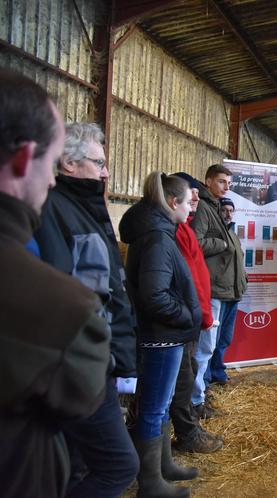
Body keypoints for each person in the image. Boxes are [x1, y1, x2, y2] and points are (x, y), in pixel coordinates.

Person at [0, 69, 110, 497]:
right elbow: (82, 390)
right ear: (26, 160)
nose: (50, 180)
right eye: (49, 165)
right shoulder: (61, 309)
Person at [33, 122, 139, 497]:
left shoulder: (84, 208)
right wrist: (103, 355)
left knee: (77, 464)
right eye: (99, 163)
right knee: (119, 465)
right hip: (83, 365)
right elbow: (70, 294)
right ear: (69, 164)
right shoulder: (53, 211)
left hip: (96, 360)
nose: (106, 171)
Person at [120, 172, 203, 498]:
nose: (191, 206)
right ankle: (151, 483)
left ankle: (163, 465)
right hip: (161, 336)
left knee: (162, 403)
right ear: (172, 202)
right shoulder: (157, 238)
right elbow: (154, 295)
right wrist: (186, 316)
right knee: (154, 407)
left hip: (165, 335)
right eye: (188, 200)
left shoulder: (159, 233)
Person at [168, 172, 223, 454]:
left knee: (186, 372)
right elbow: (185, 278)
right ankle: (187, 433)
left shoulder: (184, 227)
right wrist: (197, 313)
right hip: (181, 317)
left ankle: (188, 428)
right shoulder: (173, 232)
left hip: (191, 314)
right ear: (173, 198)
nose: (197, 197)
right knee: (182, 377)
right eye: (193, 192)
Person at [190, 164, 246, 418]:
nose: (227, 187)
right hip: (212, 288)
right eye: (222, 181)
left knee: (211, 346)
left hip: (223, 289)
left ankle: (200, 393)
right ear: (208, 181)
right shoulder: (203, 207)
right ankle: (195, 400)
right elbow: (197, 242)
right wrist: (222, 243)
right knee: (205, 347)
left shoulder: (214, 207)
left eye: (229, 183)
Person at [207, 196, 246, 384]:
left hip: (233, 293)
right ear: (218, 212)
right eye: (224, 210)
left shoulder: (232, 234)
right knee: (212, 340)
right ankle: (207, 377)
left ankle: (217, 371)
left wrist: (242, 282)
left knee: (225, 338)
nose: (228, 214)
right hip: (219, 292)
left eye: (231, 211)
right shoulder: (214, 233)